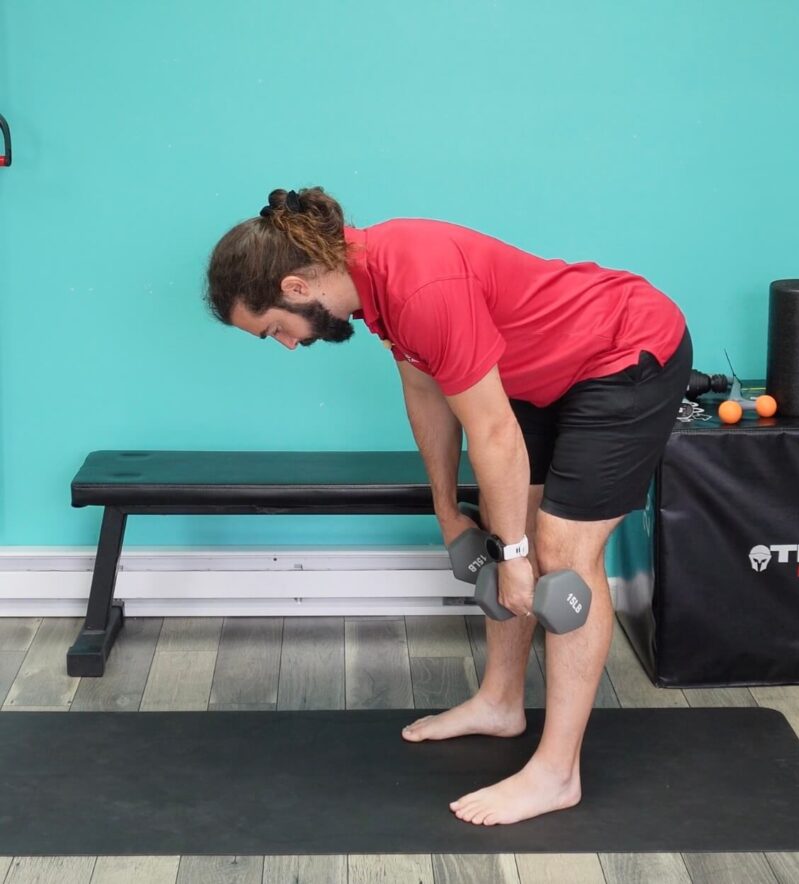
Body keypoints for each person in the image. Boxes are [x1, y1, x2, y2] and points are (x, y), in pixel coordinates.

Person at [205, 186, 692, 826]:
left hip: (624, 351)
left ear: (296, 287)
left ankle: (557, 773)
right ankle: (500, 702)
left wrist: (519, 559)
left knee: (561, 558)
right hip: (543, 371)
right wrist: (447, 512)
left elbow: (492, 433)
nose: (289, 345)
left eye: (275, 331)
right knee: (502, 523)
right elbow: (425, 391)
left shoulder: (417, 285)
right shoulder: (371, 283)